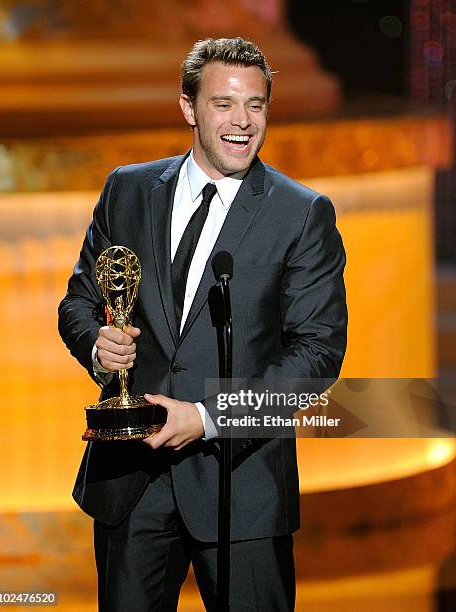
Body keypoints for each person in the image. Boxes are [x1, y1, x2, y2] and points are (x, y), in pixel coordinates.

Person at [58, 37, 347, 611]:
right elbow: (78, 303)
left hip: (242, 487)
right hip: (131, 481)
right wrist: (99, 346)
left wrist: (210, 417)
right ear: (189, 108)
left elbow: (317, 357)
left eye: (256, 105)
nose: (243, 121)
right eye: (224, 104)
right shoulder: (129, 189)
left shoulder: (301, 212)